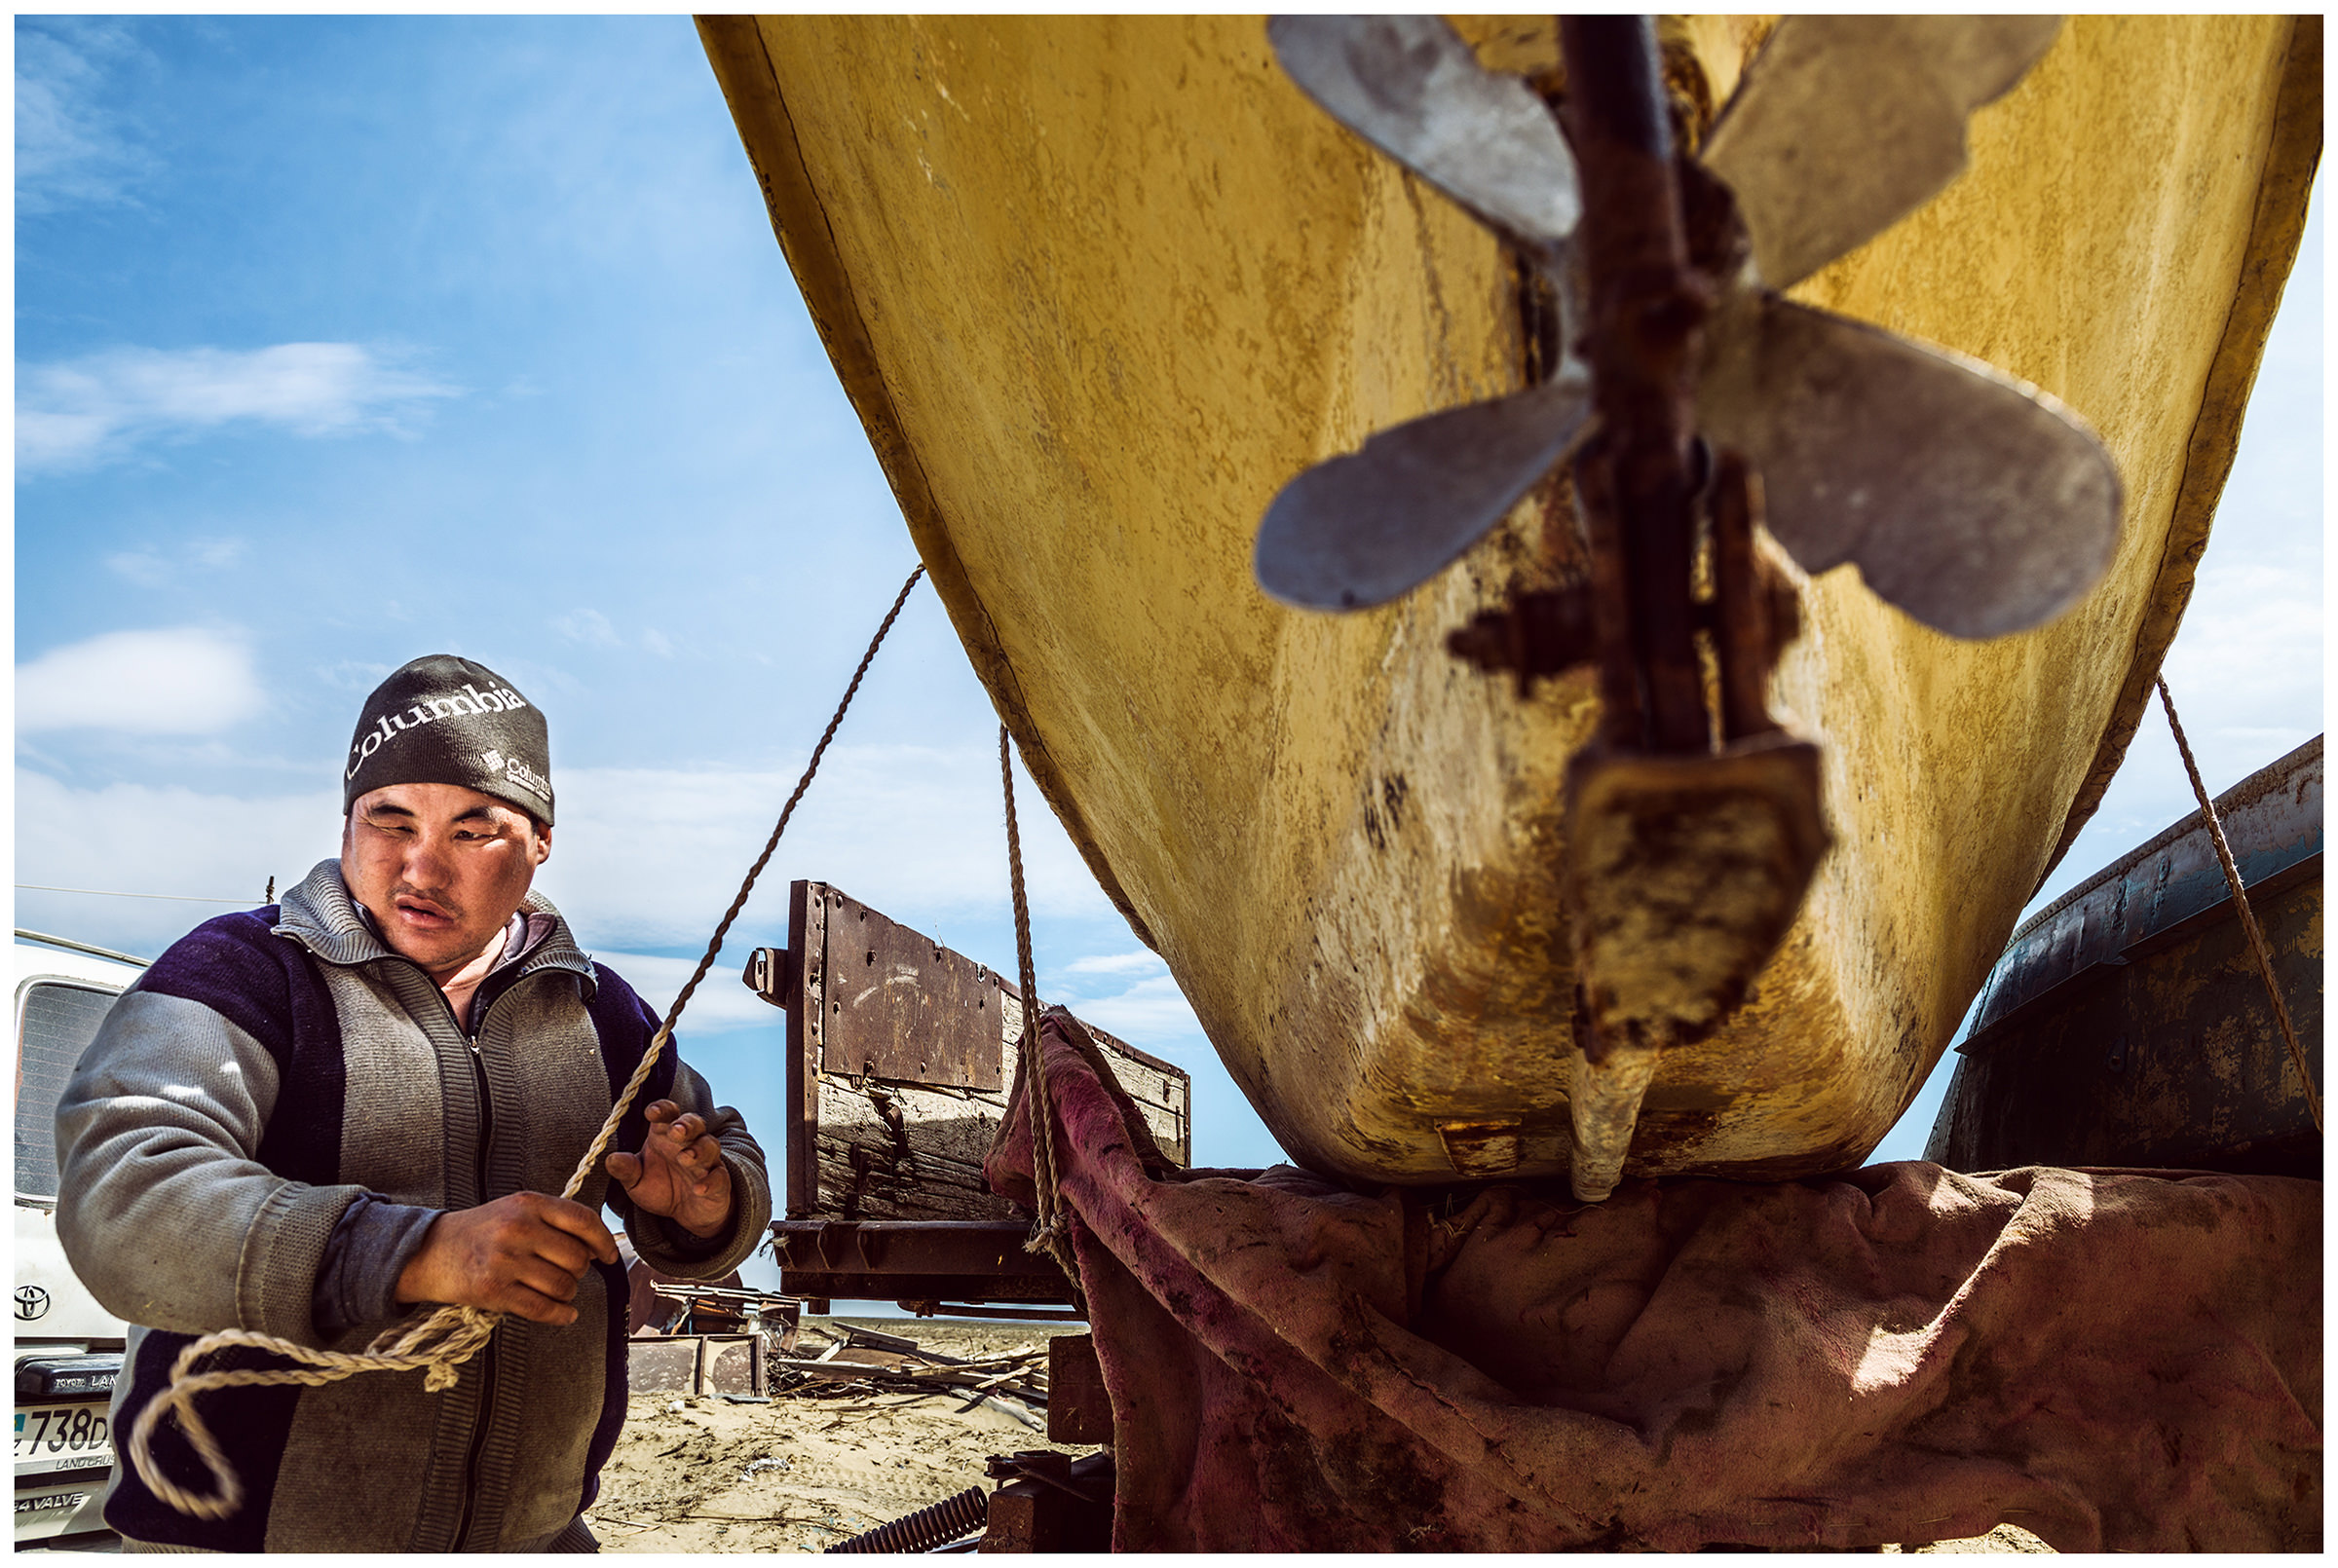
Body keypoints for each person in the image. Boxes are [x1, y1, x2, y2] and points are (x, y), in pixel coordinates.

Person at [56, 654, 772, 1552]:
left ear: (540, 840)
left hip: (537, 1539)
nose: (421, 867)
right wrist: (417, 1252)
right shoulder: (240, 973)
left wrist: (706, 1206)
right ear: (347, 822)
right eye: (389, 821)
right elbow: (123, 1201)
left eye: (474, 832)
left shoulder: (602, 1010)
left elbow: (727, 1162)